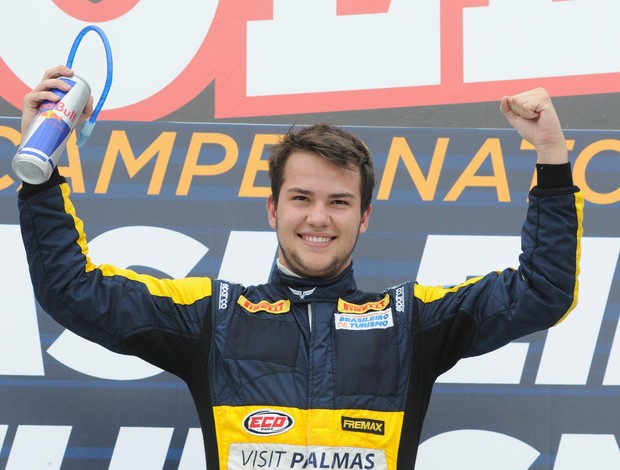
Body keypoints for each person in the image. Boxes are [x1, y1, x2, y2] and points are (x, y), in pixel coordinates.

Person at [18, 65, 582, 469]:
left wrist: (552, 156)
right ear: (272, 208)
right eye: (301, 198)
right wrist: (39, 170)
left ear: (364, 218)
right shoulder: (214, 316)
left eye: (339, 202)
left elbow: (541, 291)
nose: (319, 218)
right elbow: (73, 291)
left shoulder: (411, 321)